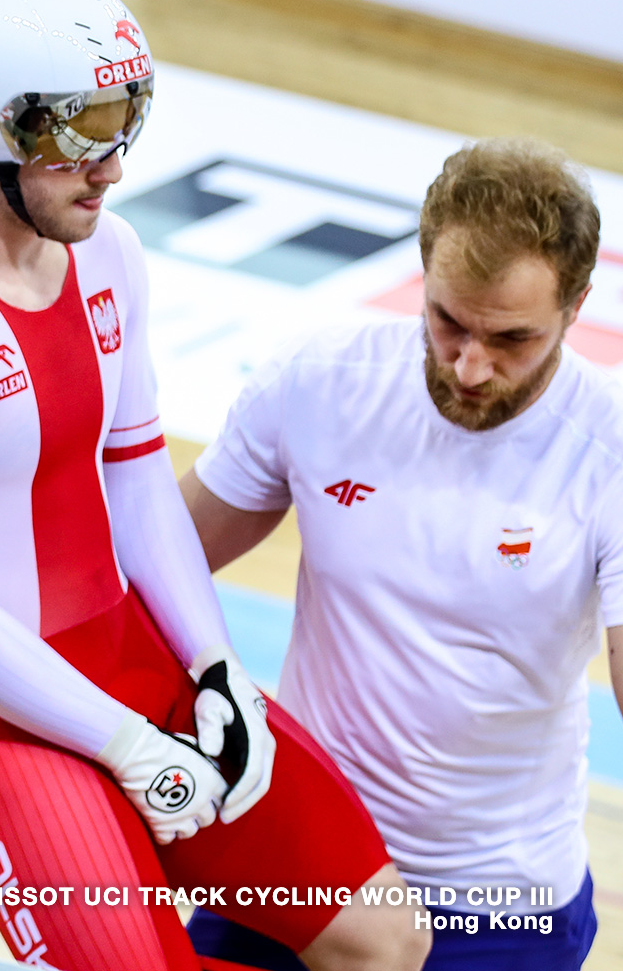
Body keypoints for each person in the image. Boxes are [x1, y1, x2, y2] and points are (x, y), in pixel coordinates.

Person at [0, 0, 429, 971]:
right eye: (79, 130)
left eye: (127, 120)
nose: (109, 166)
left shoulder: (112, 254)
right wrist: (127, 744)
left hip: (129, 655)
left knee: (384, 939)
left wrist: (213, 665)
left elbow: (139, 479)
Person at [181, 139, 615, 971]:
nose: (471, 365)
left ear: (577, 305)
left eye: (513, 339)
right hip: (299, 865)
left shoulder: (609, 453)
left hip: (497, 904)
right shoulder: (321, 380)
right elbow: (157, 562)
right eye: (449, 321)